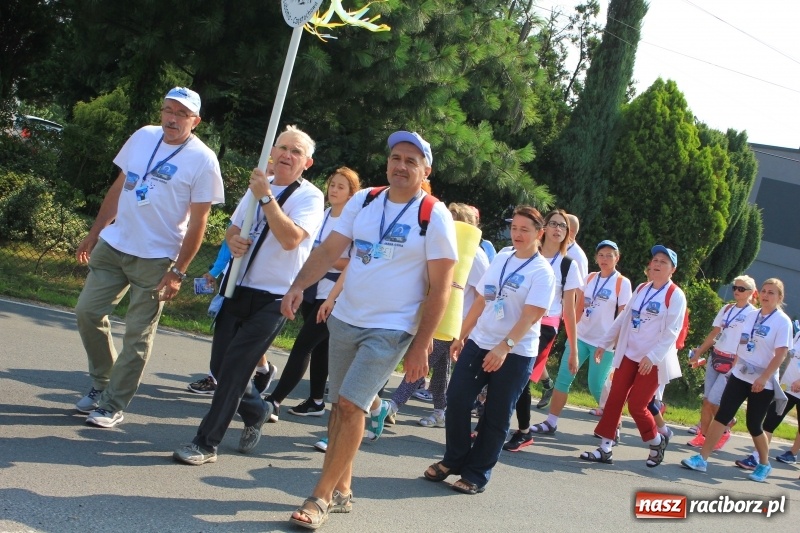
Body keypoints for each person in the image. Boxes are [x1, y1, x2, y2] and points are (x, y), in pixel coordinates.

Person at [281, 131, 458, 529]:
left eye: (411, 161)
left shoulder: (434, 214)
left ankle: (319, 497)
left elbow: (440, 287)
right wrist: (298, 286)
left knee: (351, 405)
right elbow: (329, 250)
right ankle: (343, 488)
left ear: (425, 170)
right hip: (347, 318)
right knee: (337, 407)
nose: (401, 166)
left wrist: (422, 345)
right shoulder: (365, 200)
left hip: (392, 327)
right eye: (396, 157)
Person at [172, 125, 323, 465]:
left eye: (295, 151)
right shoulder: (258, 185)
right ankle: (256, 410)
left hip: (275, 297)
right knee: (220, 366)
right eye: (282, 147)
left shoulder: (309, 196)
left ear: (307, 162)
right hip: (237, 287)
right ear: (272, 152)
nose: (286, 154)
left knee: (238, 368)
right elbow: (235, 227)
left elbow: (290, 239)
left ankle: (205, 443)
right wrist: (233, 240)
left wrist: (267, 196)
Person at [73, 87, 224, 428]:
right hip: (116, 244)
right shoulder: (143, 136)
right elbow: (120, 185)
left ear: (195, 121)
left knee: (137, 336)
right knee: (87, 312)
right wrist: (96, 230)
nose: (172, 118)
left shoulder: (203, 159)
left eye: (182, 114)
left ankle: (112, 404)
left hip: (157, 258)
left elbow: (200, 221)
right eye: (168, 109)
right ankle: (102, 383)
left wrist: (178, 271)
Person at [423, 205, 555, 492]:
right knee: (456, 399)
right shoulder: (504, 256)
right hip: (480, 341)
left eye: (525, 230)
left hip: (515, 352)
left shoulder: (542, 271)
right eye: (514, 228)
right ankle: (454, 459)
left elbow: (531, 315)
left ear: (539, 234)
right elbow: (483, 299)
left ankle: (476, 474)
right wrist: (462, 334)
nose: (517, 234)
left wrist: (504, 347)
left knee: (495, 414)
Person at [265, 167, 361, 419]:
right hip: (312, 289)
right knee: (320, 347)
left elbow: (353, 262)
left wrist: (324, 260)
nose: (334, 190)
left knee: (303, 345)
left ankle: (274, 400)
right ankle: (316, 400)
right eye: (332, 185)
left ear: (352, 194)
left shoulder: (354, 221)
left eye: (341, 187)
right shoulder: (323, 214)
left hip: (334, 294)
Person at [580, 245, 686, 467]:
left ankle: (656, 441)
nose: (656, 264)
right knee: (614, 399)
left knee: (638, 405)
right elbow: (623, 318)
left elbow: (672, 332)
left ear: (672, 270)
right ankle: (605, 448)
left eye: (663, 262)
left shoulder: (675, 295)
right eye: (655, 260)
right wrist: (604, 342)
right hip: (629, 354)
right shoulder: (642, 288)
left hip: (653, 360)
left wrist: (653, 356)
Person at [386, 202, 490, 428]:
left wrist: (465, 332)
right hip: (435, 315)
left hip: (453, 321)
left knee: (421, 361)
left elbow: (485, 297)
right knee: (441, 369)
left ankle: (392, 405)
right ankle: (441, 412)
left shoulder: (477, 256)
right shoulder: (441, 246)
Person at [682, 278, 792, 482]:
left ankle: (764, 464)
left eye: (772, 293)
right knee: (722, 415)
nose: (767, 295)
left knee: (754, 425)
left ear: (779, 298)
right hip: (741, 374)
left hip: (762, 380)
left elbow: (781, 355)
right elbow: (742, 344)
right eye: (765, 291)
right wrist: (734, 367)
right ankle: (702, 459)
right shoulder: (751, 316)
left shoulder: (782, 321)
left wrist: (764, 377)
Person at [528, 240, 631, 438]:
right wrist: (571, 332)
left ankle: (613, 424)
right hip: (582, 337)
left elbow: (623, 315)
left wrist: (615, 343)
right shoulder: (590, 278)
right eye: (601, 255)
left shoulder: (622, 282)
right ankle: (551, 421)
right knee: (563, 379)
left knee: (596, 385)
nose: (604, 259)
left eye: (610, 255)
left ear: (617, 258)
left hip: (604, 343)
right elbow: (578, 307)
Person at [503, 209, 581, 451]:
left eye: (563, 227)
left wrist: (574, 350)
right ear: (543, 228)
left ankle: (523, 431)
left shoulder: (569, 266)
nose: (558, 229)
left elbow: (569, 311)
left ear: (568, 235)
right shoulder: (525, 255)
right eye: (554, 224)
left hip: (544, 326)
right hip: (515, 320)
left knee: (521, 377)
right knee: (503, 373)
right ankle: (496, 424)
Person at [186, 239, 277, 396]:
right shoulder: (243, 216)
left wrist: (214, 271)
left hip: (254, 285)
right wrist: (215, 271)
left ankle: (224, 383)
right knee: (232, 334)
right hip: (233, 279)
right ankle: (262, 370)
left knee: (241, 336)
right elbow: (227, 248)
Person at [686, 275, 758, 449]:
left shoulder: (753, 314)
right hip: (716, 356)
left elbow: (750, 343)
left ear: (751, 292)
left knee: (713, 401)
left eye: (741, 289)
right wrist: (699, 352)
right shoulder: (727, 309)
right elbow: (714, 333)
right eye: (734, 287)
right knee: (706, 401)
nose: (736, 291)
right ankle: (703, 436)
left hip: (733, 361)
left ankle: (723, 430)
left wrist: (738, 363)